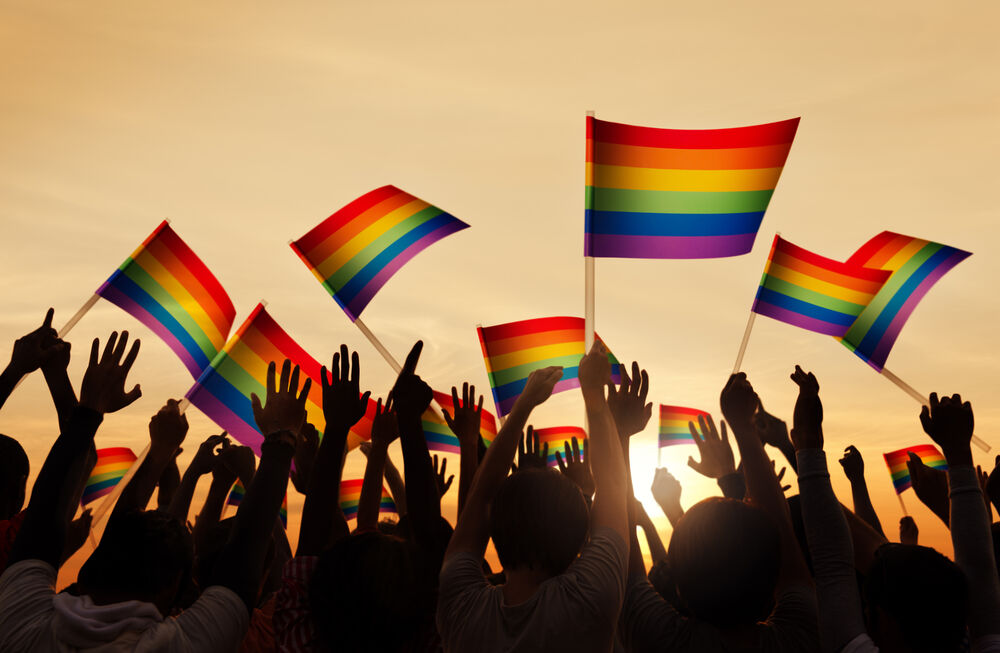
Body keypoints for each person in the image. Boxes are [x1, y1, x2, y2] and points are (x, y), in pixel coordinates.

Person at [437, 342, 630, 652]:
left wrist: (522, 406)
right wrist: (594, 394)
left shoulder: (461, 606)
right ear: (579, 536)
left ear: (495, 528)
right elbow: (614, 486)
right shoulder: (591, 599)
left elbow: (481, 497)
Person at [619, 372, 819, 652]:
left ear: (678, 584)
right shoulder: (799, 637)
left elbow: (625, 568)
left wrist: (619, 435)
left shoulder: (660, 641)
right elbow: (782, 536)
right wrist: (744, 428)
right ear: (771, 576)